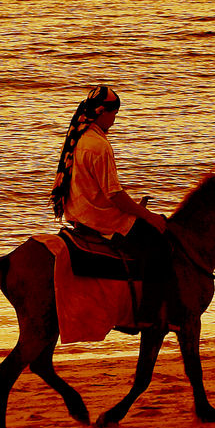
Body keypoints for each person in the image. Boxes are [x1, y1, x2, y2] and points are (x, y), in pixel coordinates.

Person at [50, 86, 177, 326]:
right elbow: (115, 196)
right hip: (101, 220)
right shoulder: (99, 145)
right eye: (114, 115)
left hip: (79, 215)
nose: (114, 121)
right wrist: (148, 216)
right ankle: (148, 316)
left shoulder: (78, 138)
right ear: (102, 113)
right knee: (160, 249)